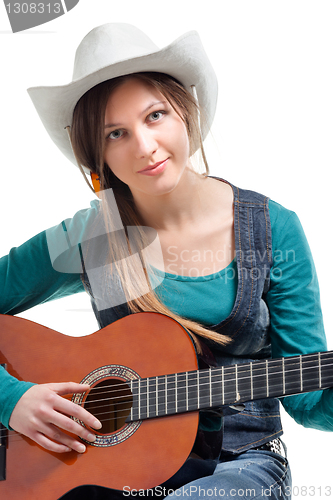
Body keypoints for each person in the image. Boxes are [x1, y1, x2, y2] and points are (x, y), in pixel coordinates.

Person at [0, 22, 331, 500]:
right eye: (116, 133)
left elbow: (308, 398)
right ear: (97, 157)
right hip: (112, 468)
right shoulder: (91, 237)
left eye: (155, 116)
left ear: (185, 112)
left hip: (239, 465)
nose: (144, 146)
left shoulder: (272, 230)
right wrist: (13, 400)